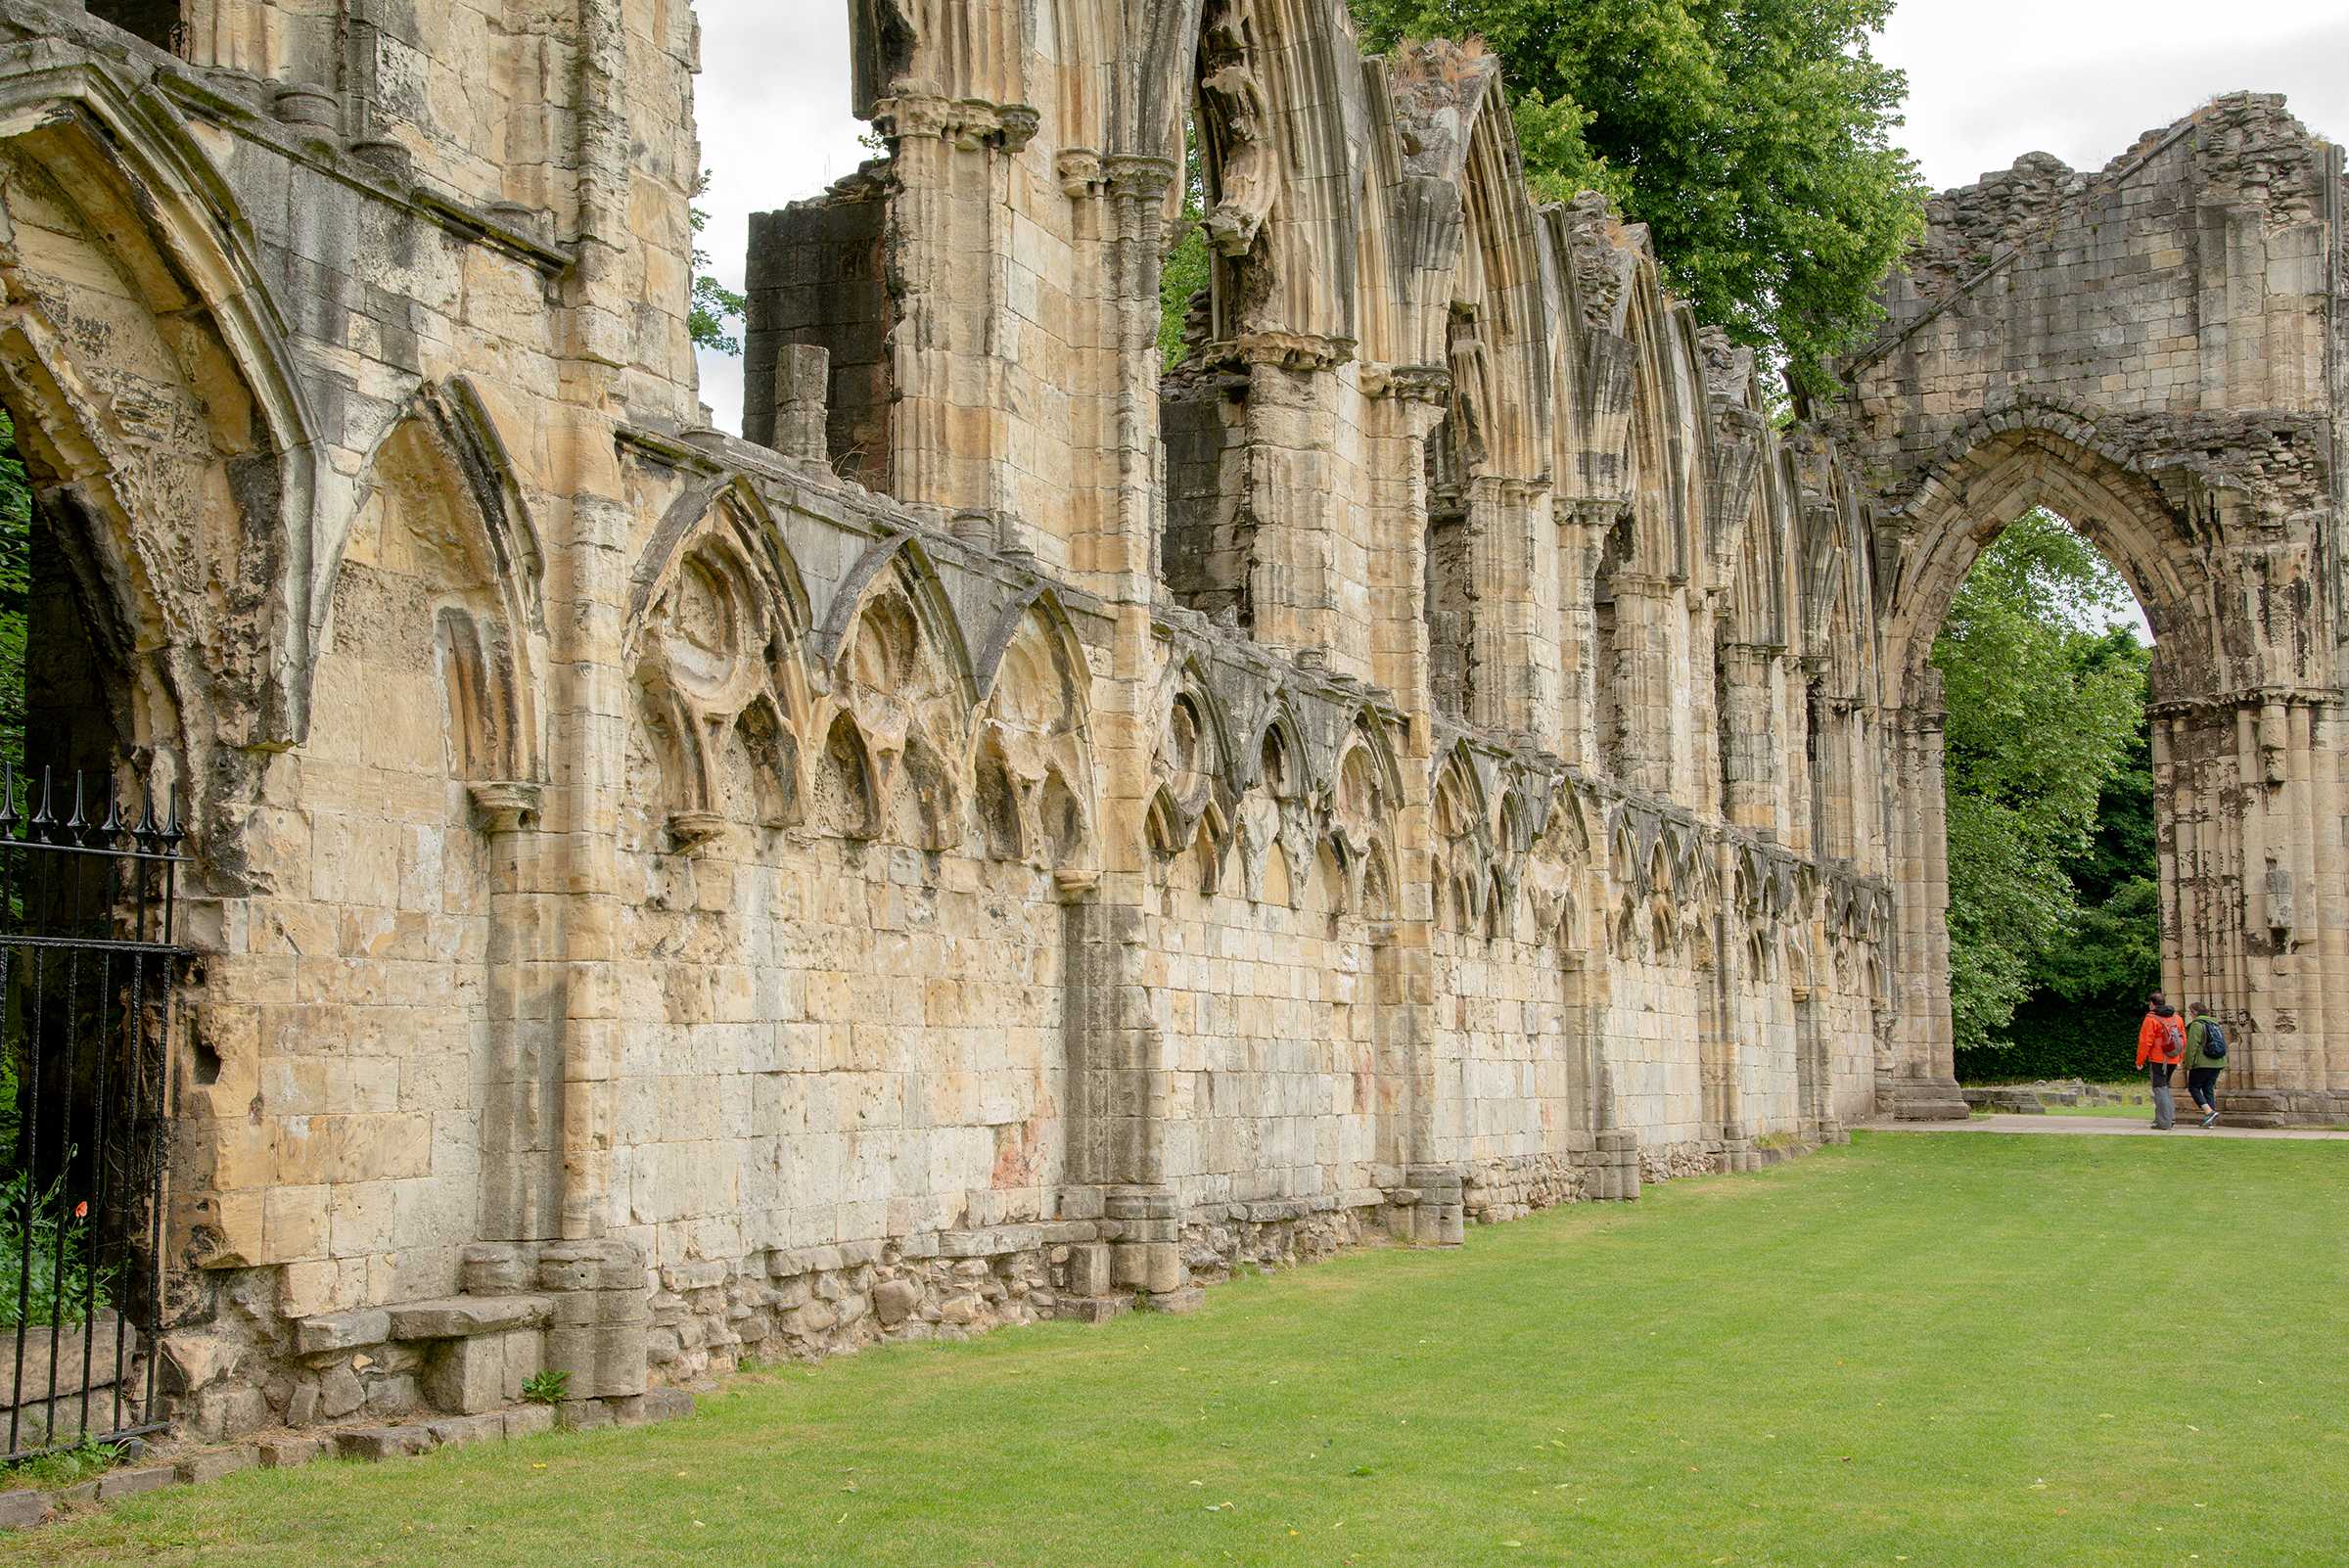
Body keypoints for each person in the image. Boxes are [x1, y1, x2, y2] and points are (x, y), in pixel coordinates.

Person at [2135, 992, 2186, 1130]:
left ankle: (2164, 1122)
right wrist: (2180, 1057)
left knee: (2159, 1088)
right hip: (2173, 1058)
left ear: (2152, 1004)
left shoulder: (2151, 1019)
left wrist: (2140, 1061)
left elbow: (2145, 1042)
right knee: (2165, 1087)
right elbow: (2183, 1040)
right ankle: (2169, 1117)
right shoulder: (2177, 1018)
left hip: (2158, 1059)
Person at [2185, 1003, 2227, 1129]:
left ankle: (2209, 1112)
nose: (2190, 1015)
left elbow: (2192, 1047)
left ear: (2195, 1012)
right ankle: (2210, 1122)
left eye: (2190, 1012)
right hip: (2218, 1062)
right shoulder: (2215, 1024)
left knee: (2194, 1087)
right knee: (2208, 1089)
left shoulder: (2197, 1025)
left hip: (2202, 1063)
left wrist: (2188, 1064)